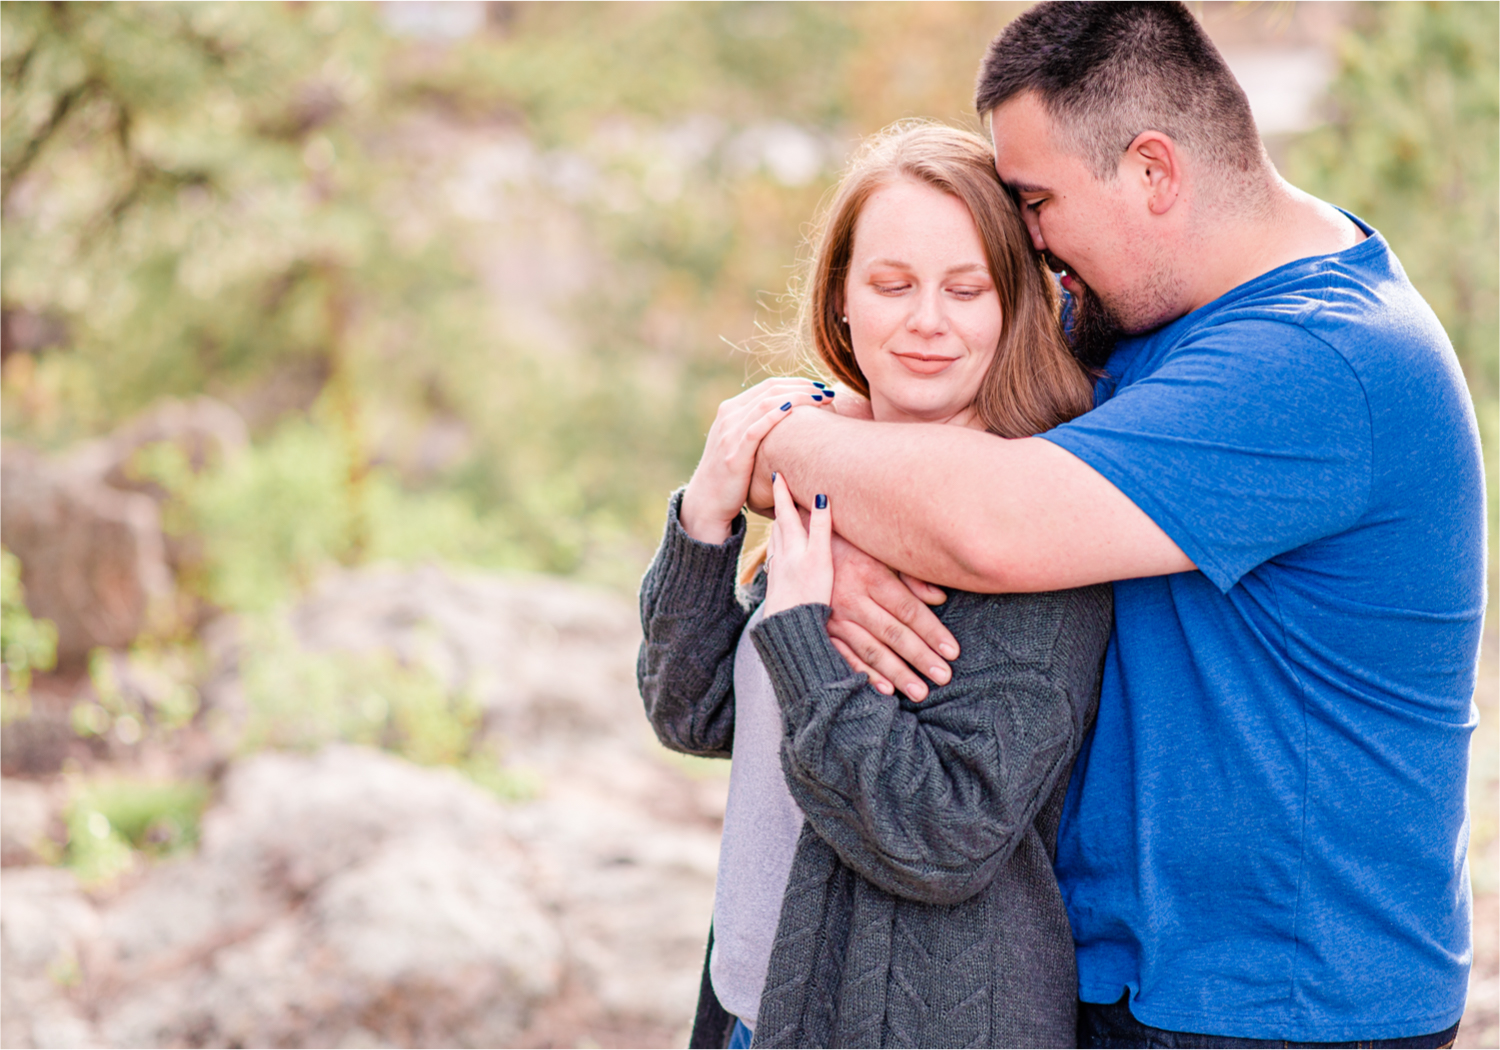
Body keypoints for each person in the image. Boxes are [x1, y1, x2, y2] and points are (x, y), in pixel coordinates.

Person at [748, 4, 1485, 1048]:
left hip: (1283, 1008)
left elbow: (986, 524)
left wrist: (769, 451)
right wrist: (826, 512)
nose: (1031, 244)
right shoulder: (1146, 307)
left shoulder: (1324, 362)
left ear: (1151, 173)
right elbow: (914, 406)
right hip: (1122, 979)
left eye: (1037, 202)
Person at [637, 122, 1112, 1048]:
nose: (926, 320)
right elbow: (691, 713)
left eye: (965, 289)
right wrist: (708, 513)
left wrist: (810, 642)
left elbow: (949, 831)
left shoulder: (1032, 525)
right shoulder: (829, 485)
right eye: (892, 285)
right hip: (755, 1011)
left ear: (1016, 306)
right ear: (843, 302)